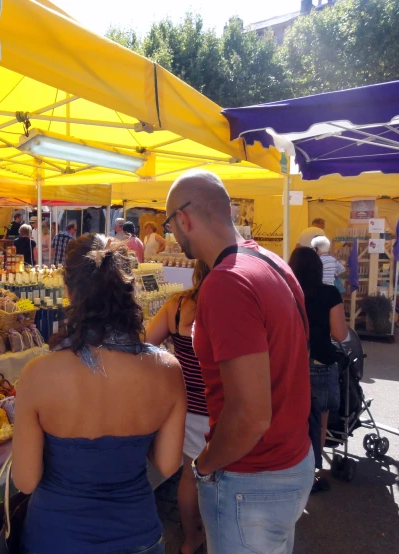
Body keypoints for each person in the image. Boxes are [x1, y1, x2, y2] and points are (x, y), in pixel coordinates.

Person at [165, 170, 313, 554]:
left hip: (253, 478)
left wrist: (204, 465)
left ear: (184, 218)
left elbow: (250, 415)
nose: (173, 235)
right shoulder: (271, 262)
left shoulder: (226, 282)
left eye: (170, 224)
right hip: (290, 461)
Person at [13, 234, 186, 554]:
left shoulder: (38, 375)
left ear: (68, 292)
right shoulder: (167, 370)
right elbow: (167, 463)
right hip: (138, 537)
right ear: (129, 292)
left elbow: (25, 481)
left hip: (57, 538)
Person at [146, 261, 211, 554]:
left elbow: (143, 344)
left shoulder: (178, 305)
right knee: (226, 476)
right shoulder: (235, 306)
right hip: (225, 408)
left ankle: (190, 539)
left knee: (191, 475)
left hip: (189, 407)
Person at [289, 247, 348, 493]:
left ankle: (290, 469)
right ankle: (312, 473)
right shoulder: (329, 293)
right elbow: (340, 334)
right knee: (319, 423)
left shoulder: (285, 293)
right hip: (320, 362)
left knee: (292, 421)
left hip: (290, 363)